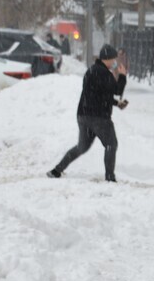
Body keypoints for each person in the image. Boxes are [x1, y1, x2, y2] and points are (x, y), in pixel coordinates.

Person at [47, 44, 128, 182]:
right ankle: (110, 178)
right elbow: (117, 90)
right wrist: (122, 76)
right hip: (99, 117)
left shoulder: (91, 71)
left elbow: (100, 95)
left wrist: (116, 103)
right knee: (111, 144)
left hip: (83, 115)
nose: (115, 62)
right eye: (114, 59)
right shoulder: (104, 73)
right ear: (107, 59)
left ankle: (56, 170)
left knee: (82, 147)